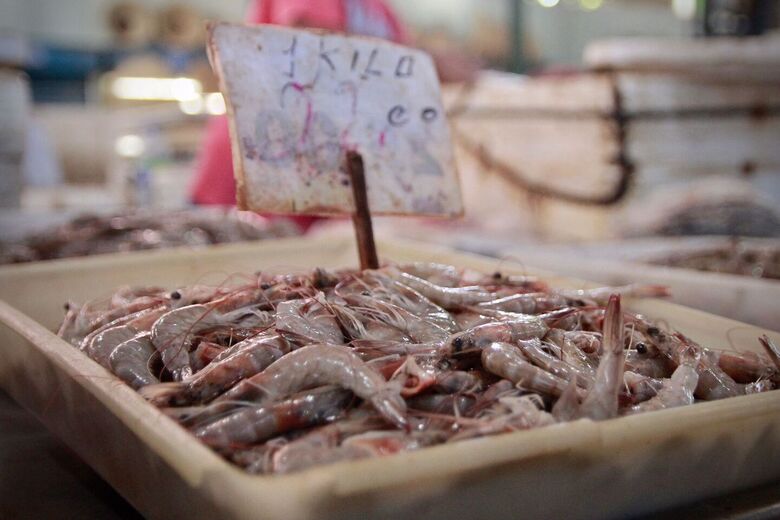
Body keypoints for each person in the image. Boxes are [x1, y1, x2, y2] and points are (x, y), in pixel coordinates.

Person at [190, 0, 476, 230]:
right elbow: (308, 36)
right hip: (252, 182)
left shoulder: (384, 12)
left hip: (322, 193)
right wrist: (428, 61)